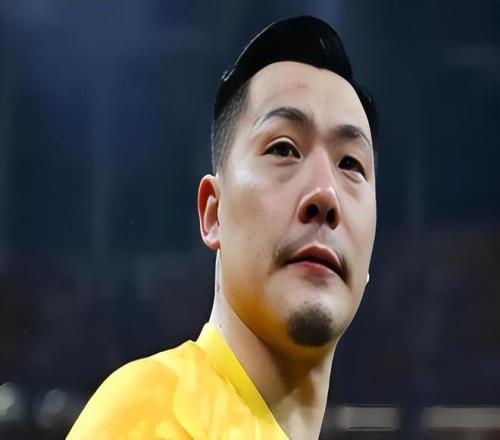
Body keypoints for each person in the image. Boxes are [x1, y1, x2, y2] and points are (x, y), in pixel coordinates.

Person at [67, 15, 377, 440]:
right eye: (283, 149)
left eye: (351, 164)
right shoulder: (155, 417)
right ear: (214, 213)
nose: (325, 195)